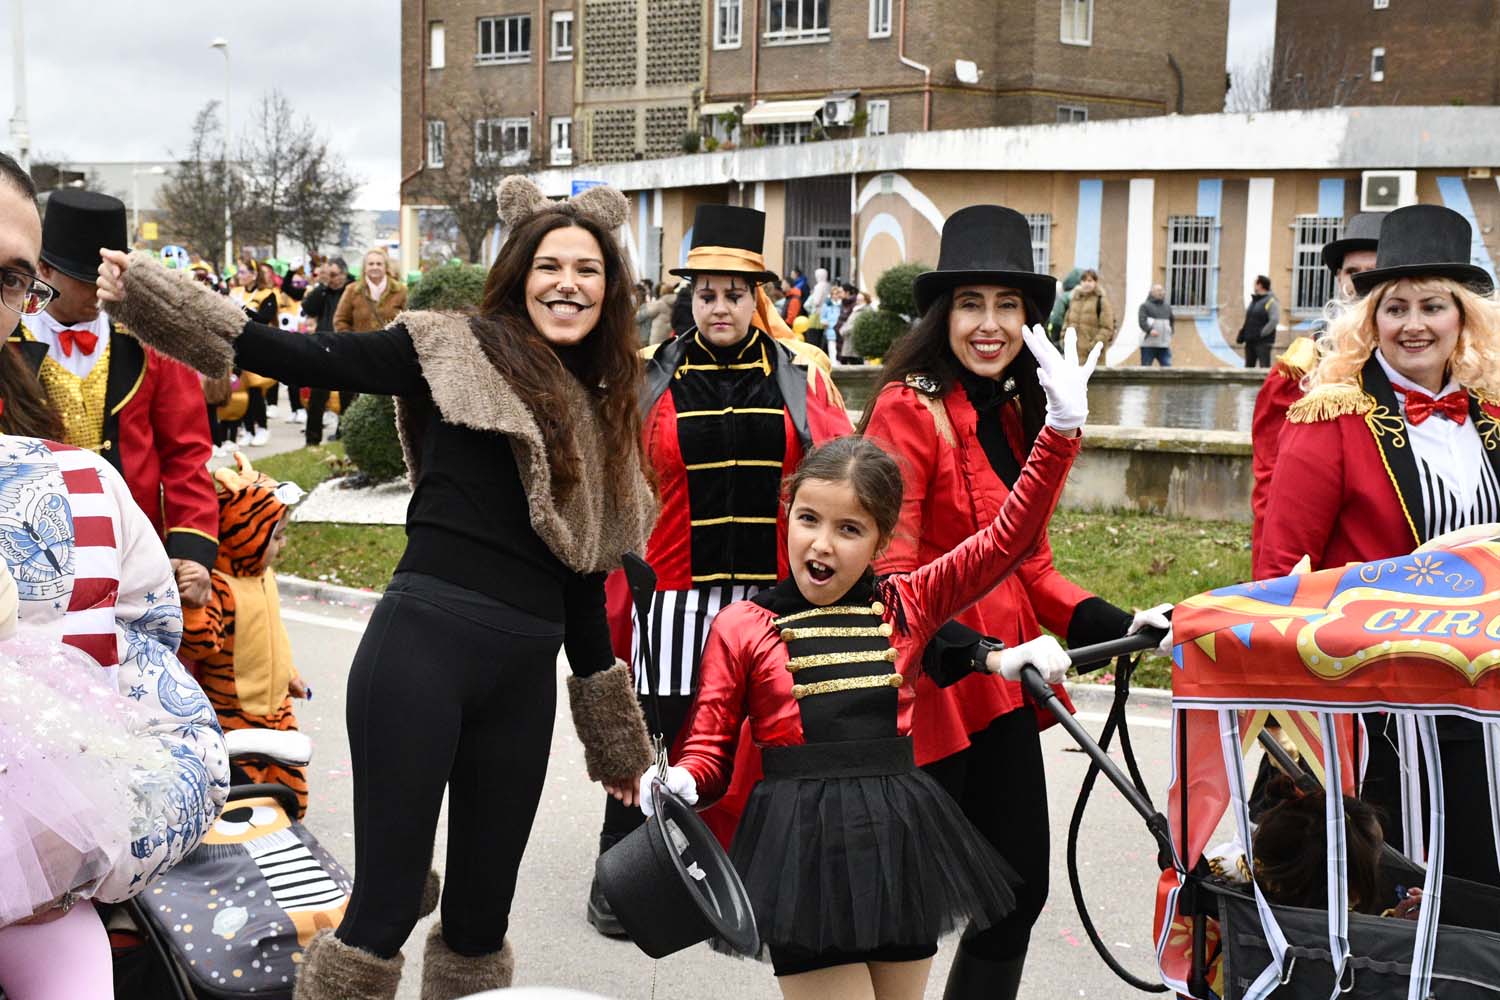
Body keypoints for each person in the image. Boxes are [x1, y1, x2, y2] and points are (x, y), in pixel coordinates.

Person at [98, 175, 658, 999]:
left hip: (521, 685)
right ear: (518, 271)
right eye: (549, 265)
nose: (567, 284)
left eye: (587, 269)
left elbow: (583, 578)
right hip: (419, 659)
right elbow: (287, 352)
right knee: (386, 909)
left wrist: (617, 745)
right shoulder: (449, 345)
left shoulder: (605, 408)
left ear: (610, 290)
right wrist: (151, 293)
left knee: (480, 920)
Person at [639, 325, 1092, 997]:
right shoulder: (744, 626)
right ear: (786, 516)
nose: (823, 544)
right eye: (809, 520)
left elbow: (1005, 540)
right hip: (802, 857)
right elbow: (709, 749)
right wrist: (682, 781)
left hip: (900, 848)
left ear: (881, 540)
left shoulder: (908, 606)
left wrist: (1059, 429)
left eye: (850, 529)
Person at [858, 205, 1171, 999]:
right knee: (910, 912)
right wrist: (977, 653)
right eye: (971, 304)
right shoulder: (910, 407)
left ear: (1031, 315)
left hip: (1003, 689)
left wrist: (1118, 621)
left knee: (1017, 891)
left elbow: (1031, 567)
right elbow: (891, 584)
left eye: (1007, 305)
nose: (990, 325)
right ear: (943, 315)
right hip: (930, 686)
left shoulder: (1018, 407)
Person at [587, 204, 852, 937]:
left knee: (759, 735)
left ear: (756, 297)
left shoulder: (801, 375)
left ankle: (750, 872)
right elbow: (616, 482)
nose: (720, 305)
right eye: (706, 292)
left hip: (768, 598)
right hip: (672, 593)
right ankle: (623, 873)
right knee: (659, 731)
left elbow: (840, 474)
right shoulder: (651, 377)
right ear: (691, 298)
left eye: (734, 293)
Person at [1258, 204, 1500, 889]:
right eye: (1395, 307)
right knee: (1386, 892)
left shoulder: (1493, 419)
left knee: (1476, 888)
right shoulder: (1329, 417)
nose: (1414, 324)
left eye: (1433, 306)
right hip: (1378, 703)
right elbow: (1278, 572)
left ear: (1463, 320)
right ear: (1372, 320)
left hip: (1483, 701)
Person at [11, 186, 219, 609]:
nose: (102, 291)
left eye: (111, 277)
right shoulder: (7, 340)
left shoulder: (150, 344)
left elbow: (186, 454)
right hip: (29, 566)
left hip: (135, 561)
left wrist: (192, 550)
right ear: (45, 270)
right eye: (89, 280)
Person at [1248, 212, 1384, 564]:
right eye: (1354, 272)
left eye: (1377, 270)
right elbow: (1271, 481)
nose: (1364, 282)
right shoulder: (1302, 367)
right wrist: (1272, 580)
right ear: (1339, 280)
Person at [180, 452, 312, 814]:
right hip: (234, 713)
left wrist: (290, 675)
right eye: (275, 536)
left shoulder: (264, 577)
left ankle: (289, 842)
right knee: (245, 803)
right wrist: (192, 605)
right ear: (244, 532)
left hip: (279, 709)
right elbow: (204, 644)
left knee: (292, 799)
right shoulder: (221, 586)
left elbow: (272, 635)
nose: (281, 545)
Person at [299, 256, 352, 444]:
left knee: (348, 397)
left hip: (347, 347)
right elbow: (307, 308)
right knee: (317, 398)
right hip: (323, 347)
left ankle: (344, 435)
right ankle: (312, 440)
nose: (332, 278)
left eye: (335, 274)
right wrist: (321, 286)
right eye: (329, 275)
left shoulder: (352, 289)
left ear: (344, 274)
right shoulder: (324, 291)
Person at [336, 247, 407, 333]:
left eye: (379, 264)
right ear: (364, 268)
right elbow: (341, 320)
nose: (375, 267)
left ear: (386, 267)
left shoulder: (401, 290)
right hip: (361, 344)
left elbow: (408, 319)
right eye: (371, 264)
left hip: (391, 344)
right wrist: (351, 340)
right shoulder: (352, 290)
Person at [1063, 268, 1116, 363]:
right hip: (1073, 356)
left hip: (1093, 358)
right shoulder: (1075, 299)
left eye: (1090, 281)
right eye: (1084, 280)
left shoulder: (1102, 301)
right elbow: (1067, 322)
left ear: (1095, 282)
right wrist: (1064, 341)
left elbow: (1107, 328)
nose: (1086, 283)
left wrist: (1093, 347)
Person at [1237, 275, 1280, 368]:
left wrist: (1261, 333)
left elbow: (1274, 320)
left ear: (1260, 285)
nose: (1253, 285)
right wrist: (1243, 333)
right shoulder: (1254, 301)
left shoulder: (1271, 301)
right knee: (1248, 368)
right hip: (1250, 340)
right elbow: (1249, 319)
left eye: (1255, 283)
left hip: (1263, 342)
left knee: (1264, 367)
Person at [1137, 283, 1174, 366]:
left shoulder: (1167, 307)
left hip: (1164, 345)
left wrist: (1170, 332)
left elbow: (1171, 321)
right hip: (1148, 345)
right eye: (1158, 290)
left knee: (1168, 369)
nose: (1161, 293)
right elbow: (1142, 321)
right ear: (1152, 292)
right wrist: (1150, 330)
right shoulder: (1145, 306)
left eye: (1162, 290)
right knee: (1145, 369)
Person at [819, 282, 845, 358]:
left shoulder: (842, 305)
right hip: (830, 331)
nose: (835, 296)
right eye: (833, 294)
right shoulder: (827, 305)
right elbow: (822, 317)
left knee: (841, 353)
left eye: (837, 293)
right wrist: (824, 322)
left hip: (841, 332)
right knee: (832, 352)